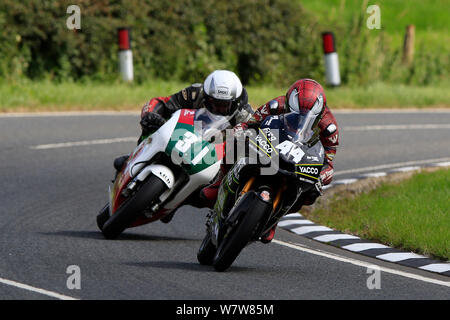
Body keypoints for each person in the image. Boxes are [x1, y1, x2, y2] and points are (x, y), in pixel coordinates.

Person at [203, 78, 340, 243]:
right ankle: (220, 181)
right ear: (289, 104)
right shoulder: (276, 105)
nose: (302, 119)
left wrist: (321, 176)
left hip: (300, 157)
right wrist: (241, 129)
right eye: (296, 113)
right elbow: (252, 123)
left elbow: (329, 160)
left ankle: (275, 217)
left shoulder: (329, 127)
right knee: (234, 140)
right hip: (272, 143)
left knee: (311, 192)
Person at [113, 70, 254, 221]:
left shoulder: (245, 116)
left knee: (213, 193)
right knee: (151, 124)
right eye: (214, 104)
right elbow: (161, 103)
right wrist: (150, 114)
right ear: (206, 97)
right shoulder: (195, 93)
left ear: (236, 103)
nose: (219, 109)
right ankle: (137, 155)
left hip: (213, 153)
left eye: (224, 105)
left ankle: (178, 199)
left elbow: (249, 147)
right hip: (184, 133)